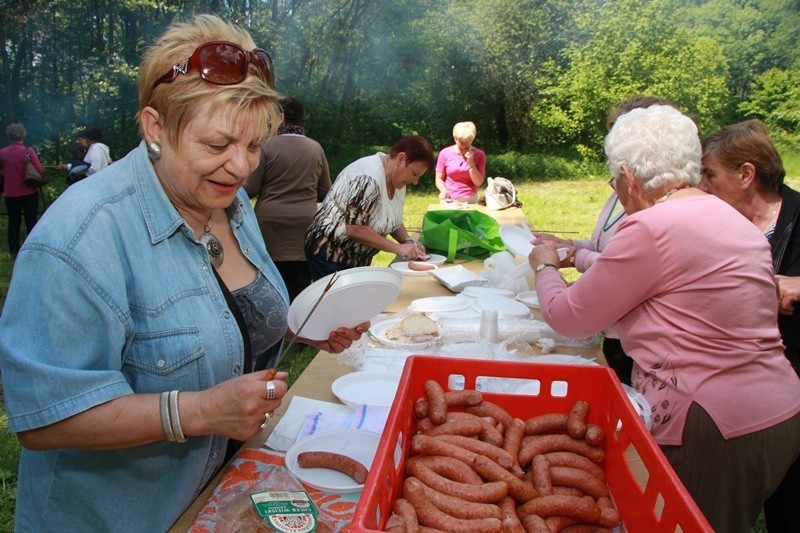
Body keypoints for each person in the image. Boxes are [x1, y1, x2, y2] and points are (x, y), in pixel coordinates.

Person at [0, 15, 366, 532]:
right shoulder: (78, 240)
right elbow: (45, 418)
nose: (240, 167)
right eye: (217, 146)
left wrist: (301, 328)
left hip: (219, 489)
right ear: (155, 128)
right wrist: (194, 413)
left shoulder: (230, 201)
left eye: (255, 145)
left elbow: (223, 316)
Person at [529, 104, 800, 531]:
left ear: (630, 178)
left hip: (714, 422)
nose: (616, 190)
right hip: (775, 408)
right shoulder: (729, 216)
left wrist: (544, 266)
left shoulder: (652, 227)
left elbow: (569, 317)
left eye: (614, 181)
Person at [699, 119, 800, 532]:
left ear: (746, 174)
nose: (702, 187)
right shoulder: (719, 223)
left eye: (709, 175)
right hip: (743, 395)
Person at [533, 95, 677, 385]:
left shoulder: (655, 206)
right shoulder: (620, 190)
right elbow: (606, 246)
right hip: (613, 326)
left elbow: (565, 315)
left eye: (619, 133)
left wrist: (549, 267)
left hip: (637, 346)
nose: (611, 142)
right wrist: (569, 244)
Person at [304, 135, 435, 280]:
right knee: (342, 302)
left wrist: (408, 242)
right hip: (330, 254)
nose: (415, 181)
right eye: (414, 174)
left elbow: (392, 219)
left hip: (357, 258)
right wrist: (398, 249)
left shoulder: (397, 181)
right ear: (401, 158)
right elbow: (355, 228)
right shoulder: (368, 178)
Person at [244, 95, 331, 301]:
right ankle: (297, 326)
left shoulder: (266, 145)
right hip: (304, 224)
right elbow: (325, 191)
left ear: (280, 117)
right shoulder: (315, 148)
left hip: (270, 225)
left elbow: (251, 188)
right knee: (300, 283)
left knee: (271, 280)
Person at [0, 123, 45, 255]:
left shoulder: (2, 153)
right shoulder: (28, 151)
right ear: (23, 135)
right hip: (29, 192)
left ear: (9, 136)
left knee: (13, 222)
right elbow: (40, 170)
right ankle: (32, 249)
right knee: (31, 220)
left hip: (10, 193)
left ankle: (13, 250)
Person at [435, 121, 486, 203]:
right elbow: (438, 178)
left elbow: (478, 183)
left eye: (467, 142)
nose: (463, 145)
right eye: (461, 141)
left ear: (472, 139)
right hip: (449, 199)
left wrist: (471, 163)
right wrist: (443, 190)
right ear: (455, 139)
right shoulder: (444, 153)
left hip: (470, 199)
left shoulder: (480, 154)